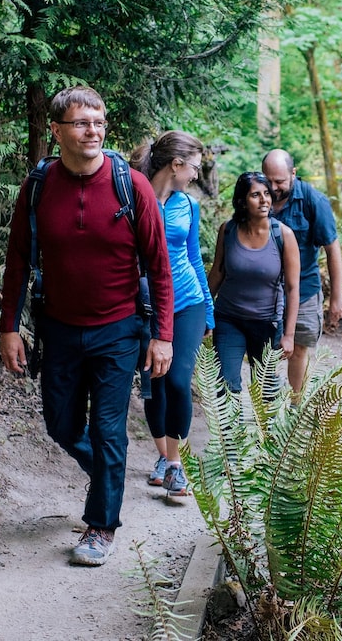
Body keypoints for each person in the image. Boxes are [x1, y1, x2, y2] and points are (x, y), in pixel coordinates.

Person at [0, 85, 174, 567]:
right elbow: (17, 259)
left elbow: (159, 266)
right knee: (60, 425)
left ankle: (101, 526)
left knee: (108, 430)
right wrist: (8, 327)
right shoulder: (37, 187)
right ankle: (109, 480)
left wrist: (162, 335)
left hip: (118, 329)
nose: (92, 130)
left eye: (98, 122)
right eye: (81, 123)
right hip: (57, 327)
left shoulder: (130, 186)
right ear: (57, 131)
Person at [130, 131, 214, 497]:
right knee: (154, 385)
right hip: (146, 305)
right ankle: (163, 457)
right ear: (176, 164)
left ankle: (176, 463)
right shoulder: (133, 197)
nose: (196, 175)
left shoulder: (188, 206)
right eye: (194, 166)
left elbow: (195, 259)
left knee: (178, 380)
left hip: (187, 303)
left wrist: (209, 310)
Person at [207, 171, 300, 399]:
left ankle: (266, 435)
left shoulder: (283, 235)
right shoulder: (227, 230)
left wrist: (288, 335)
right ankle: (231, 435)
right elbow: (217, 272)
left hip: (266, 323)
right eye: (255, 195)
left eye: (267, 194)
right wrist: (205, 312)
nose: (264, 200)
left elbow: (292, 288)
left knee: (265, 392)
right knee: (227, 386)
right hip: (229, 319)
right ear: (242, 201)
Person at [260, 150, 342, 395]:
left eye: (280, 182)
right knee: (266, 351)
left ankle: (296, 407)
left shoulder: (313, 201)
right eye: (269, 181)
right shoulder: (256, 196)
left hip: (304, 289)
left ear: (293, 174)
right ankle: (267, 407)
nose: (273, 188)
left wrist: (337, 297)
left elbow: (332, 249)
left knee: (298, 349)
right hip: (264, 291)